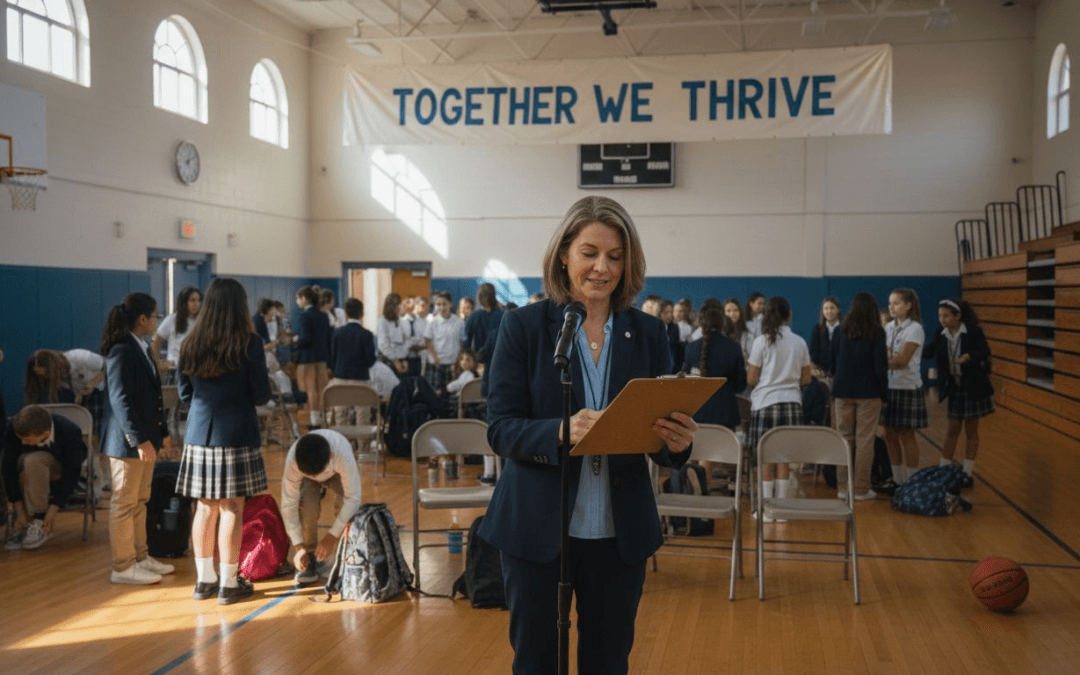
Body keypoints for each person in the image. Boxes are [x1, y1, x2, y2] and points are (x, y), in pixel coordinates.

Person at [478, 195, 697, 675]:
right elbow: (500, 428)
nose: (603, 267)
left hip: (619, 535)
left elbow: (661, 433)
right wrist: (560, 430)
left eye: (615, 257)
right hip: (538, 530)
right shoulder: (524, 327)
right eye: (589, 253)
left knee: (608, 663)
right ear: (563, 254)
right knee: (536, 662)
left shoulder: (649, 333)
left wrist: (677, 444)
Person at [176, 278, 272, 604]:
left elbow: (185, 393)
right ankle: (229, 583)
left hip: (199, 434)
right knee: (232, 508)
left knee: (204, 508)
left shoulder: (190, 342)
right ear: (240, 306)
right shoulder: (249, 342)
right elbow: (261, 394)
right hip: (236, 433)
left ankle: (205, 581)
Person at [100, 292, 174, 585]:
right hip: (126, 442)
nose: (157, 320)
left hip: (145, 439)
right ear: (143, 319)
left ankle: (140, 556)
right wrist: (138, 439)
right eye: (155, 315)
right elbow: (120, 400)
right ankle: (123, 565)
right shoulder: (121, 350)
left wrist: (162, 433)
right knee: (124, 502)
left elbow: (152, 398)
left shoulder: (140, 347)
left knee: (141, 500)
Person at [745, 296, 812, 522]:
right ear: (788, 315)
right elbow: (807, 378)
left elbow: (751, 377)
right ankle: (782, 508)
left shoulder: (761, 341)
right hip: (792, 402)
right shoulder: (799, 341)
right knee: (784, 456)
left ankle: (765, 509)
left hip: (765, 403)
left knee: (766, 457)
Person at [925, 298, 994, 489]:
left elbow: (984, 351)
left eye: (946, 316)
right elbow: (928, 352)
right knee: (952, 429)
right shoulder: (940, 333)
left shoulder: (972, 332)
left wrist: (968, 357)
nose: (942, 319)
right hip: (954, 387)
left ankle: (967, 472)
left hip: (972, 387)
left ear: (958, 316)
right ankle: (944, 469)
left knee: (971, 430)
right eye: (940, 316)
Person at [280, 429, 362, 585]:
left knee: (345, 503)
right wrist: (298, 546)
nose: (317, 479)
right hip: (307, 473)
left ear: (331, 457)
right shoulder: (294, 459)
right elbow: (288, 504)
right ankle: (308, 556)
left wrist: (332, 536)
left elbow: (353, 498)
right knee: (307, 507)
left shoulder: (342, 454)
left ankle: (347, 554)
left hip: (336, 472)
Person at [830, 292, 889, 500]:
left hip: (842, 391)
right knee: (865, 440)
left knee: (843, 438)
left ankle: (842, 488)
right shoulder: (877, 332)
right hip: (869, 392)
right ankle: (861, 489)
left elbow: (833, 361)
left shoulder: (839, 330)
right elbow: (880, 368)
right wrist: (885, 394)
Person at [3, 405, 87, 551]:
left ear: (46, 433)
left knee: (34, 460)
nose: (22, 443)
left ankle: (39, 519)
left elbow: (71, 473)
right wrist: (19, 508)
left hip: (58, 469)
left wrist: (52, 510)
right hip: (27, 471)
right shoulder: (14, 429)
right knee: (26, 466)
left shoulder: (70, 432)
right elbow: (8, 469)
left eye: (27, 440)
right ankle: (27, 520)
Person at [882, 288, 926, 485]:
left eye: (896, 303)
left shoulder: (915, 328)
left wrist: (881, 361)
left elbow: (902, 360)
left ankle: (912, 480)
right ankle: (898, 480)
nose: (891, 307)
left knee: (907, 435)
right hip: (889, 386)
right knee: (888, 434)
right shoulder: (888, 327)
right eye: (890, 303)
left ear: (908, 306)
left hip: (907, 387)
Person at [295, 285, 332, 429]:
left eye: (298, 299)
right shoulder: (323, 315)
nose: (297, 302)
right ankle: (324, 419)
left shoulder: (305, 315)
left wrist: (295, 341)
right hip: (322, 356)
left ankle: (315, 421)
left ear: (304, 299)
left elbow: (305, 338)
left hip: (308, 358)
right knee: (321, 389)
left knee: (311, 391)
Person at [151, 286, 202, 380]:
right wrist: (157, 362)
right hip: (176, 370)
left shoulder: (202, 321)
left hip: (197, 370)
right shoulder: (173, 319)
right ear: (184, 302)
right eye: (192, 300)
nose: (196, 304)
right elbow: (156, 340)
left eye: (199, 300)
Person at [464, 283, 504, 397]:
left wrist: (472, 358)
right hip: (498, 359)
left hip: (480, 360)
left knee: (483, 392)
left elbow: (466, 342)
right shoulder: (503, 315)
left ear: (479, 297)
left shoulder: (474, 317)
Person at [424, 291, 464, 396]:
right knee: (434, 394)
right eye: (438, 304)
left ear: (450, 304)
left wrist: (458, 360)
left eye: (444, 304)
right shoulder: (432, 321)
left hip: (452, 364)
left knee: (451, 393)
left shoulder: (459, 322)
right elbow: (427, 340)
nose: (441, 307)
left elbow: (462, 342)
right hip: (436, 363)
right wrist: (434, 357)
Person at [376, 293, 414, 376]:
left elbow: (408, 341)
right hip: (387, 360)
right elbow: (384, 345)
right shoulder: (383, 323)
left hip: (402, 359)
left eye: (399, 304)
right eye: (396, 305)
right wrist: (395, 361)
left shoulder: (403, 322)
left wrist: (403, 358)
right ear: (390, 306)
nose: (399, 307)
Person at [809, 296, 842, 379]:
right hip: (822, 374)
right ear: (822, 311)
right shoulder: (818, 328)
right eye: (826, 308)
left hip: (841, 373)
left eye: (832, 308)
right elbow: (814, 351)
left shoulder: (845, 328)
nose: (829, 311)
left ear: (838, 310)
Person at [722, 297, 754, 361]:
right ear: (723, 313)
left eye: (735, 310)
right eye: (728, 311)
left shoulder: (748, 334)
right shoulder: (720, 333)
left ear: (740, 312)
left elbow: (752, 357)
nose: (732, 314)